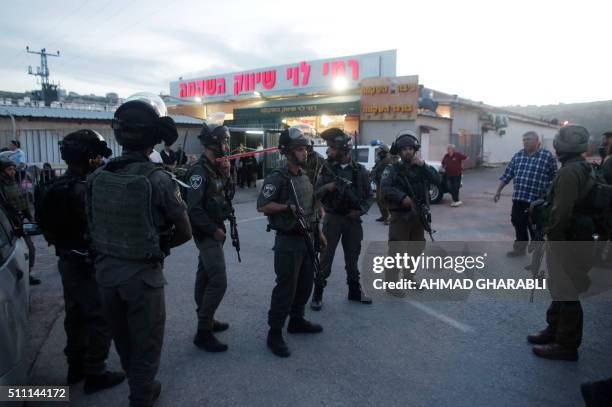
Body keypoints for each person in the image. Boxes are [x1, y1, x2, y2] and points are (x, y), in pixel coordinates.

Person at [87, 93, 192, 407]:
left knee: (123, 339)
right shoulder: (158, 179)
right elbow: (184, 232)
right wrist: (157, 245)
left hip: (105, 274)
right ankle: (141, 396)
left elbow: (92, 226)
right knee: (146, 343)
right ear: (153, 136)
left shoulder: (96, 177)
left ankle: (138, 385)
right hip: (142, 278)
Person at [37, 130, 125, 392]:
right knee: (99, 317)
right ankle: (95, 371)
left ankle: (75, 365)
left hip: (67, 260)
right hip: (88, 262)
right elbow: (105, 227)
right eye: (96, 155)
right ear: (88, 157)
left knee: (75, 315)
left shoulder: (52, 186)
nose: (99, 160)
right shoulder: (85, 190)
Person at [257, 126, 326, 358]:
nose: (304, 153)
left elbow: (311, 208)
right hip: (288, 241)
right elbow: (263, 204)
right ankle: (274, 332)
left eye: (305, 149)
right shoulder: (278, 177)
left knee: (306, 284)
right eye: (299, 149)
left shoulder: (304, 176)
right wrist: (287, 207)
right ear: (287, 152)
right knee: (285, 288)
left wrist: (320, 233)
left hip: (308, 237)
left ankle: (296, 321)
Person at [527, 125, 594, 361]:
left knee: (566, 290)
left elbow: (561, 212)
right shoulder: (583, 168)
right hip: (577, 238)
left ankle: (566, 344)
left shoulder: (569, 172)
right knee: (559, 287)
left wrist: (551, 239)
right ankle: (553, 329)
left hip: (566, 240)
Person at [310, 128, 372, 311]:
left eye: (332, 147)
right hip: (333, 218)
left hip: (353, 221)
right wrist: (327, 187)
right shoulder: (327, 169)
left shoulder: (360, 171)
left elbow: (369, 197)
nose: (329, 150)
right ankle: (318, 293)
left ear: (343, 149)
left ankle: (354, 291)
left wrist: (361, 211)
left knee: (353, 259)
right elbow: (314, 194)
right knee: (325, 258)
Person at [186, 117, 234, 353]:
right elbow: (193, 209)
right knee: (218, 281)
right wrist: (212, 231)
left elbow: (224, 197)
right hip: (207, 232)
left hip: (216, 228)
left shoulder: (215, 168)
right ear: (213, 143)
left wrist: (226, 174)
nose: (227, 147)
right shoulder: (198, 172)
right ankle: (203, 331)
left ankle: (207, 318)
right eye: (224, 142)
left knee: (204, 276)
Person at [381, 131, 440, 291]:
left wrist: (424, 166)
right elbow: (385, 189)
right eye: (404, 149)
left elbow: (437, 180)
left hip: (418, 215)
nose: (408, 151)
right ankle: (391, 283)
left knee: (416, 248)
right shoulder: (392, 169)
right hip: (401, 215)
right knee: (397, 249)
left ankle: (409, 278)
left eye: (410, 148)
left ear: (415, 150)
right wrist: (402, 197)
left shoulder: (421, 167)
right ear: (399, 151)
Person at [494, 131, 557, 257]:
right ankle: (519, 249)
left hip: (537, 201)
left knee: (535, 227)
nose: (525, 141)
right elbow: (507, 175)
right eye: (524, 139)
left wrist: (551, 197)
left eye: (528, 139)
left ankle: (538, 251)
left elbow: (554, 178)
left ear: (537, 140)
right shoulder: (518, 156)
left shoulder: (547, 156)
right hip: (519, 199)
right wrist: (498, 191)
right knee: (518, 223)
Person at [0, 159, 40, 285]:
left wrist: (29, 217)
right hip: (9, 224)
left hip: (20, 222)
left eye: (13, 169)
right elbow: (5, 206)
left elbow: (22, 201)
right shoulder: (2, 185)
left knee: (30, 250)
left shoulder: (14, 182)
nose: (12, 172)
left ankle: (26, 275)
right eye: (9, 169)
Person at [371, 144, 396, 224]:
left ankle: (389, 217)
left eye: (380, 150)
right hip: (379, 182)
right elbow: (376, 168)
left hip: (385, 183)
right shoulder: (381, 159)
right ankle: (384, 216)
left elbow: (384, 170)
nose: (378, 152)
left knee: (383, 200)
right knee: (379, 200)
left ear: (383, 151)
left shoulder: (387, 159)